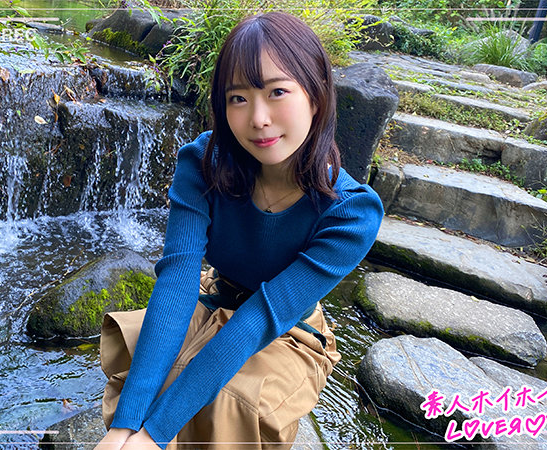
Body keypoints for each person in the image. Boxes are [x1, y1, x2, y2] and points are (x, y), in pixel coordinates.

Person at [95, 10, 384, 450]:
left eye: (277, 92)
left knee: (228, 402)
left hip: (287, 328)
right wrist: (124, 427)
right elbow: (178, 278)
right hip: (215, 294)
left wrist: (152, 436)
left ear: (316, 95)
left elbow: (261, 317)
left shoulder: (351, 213)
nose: (258, 118)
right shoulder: (203, 163)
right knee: (148, 373)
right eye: (238, 98)